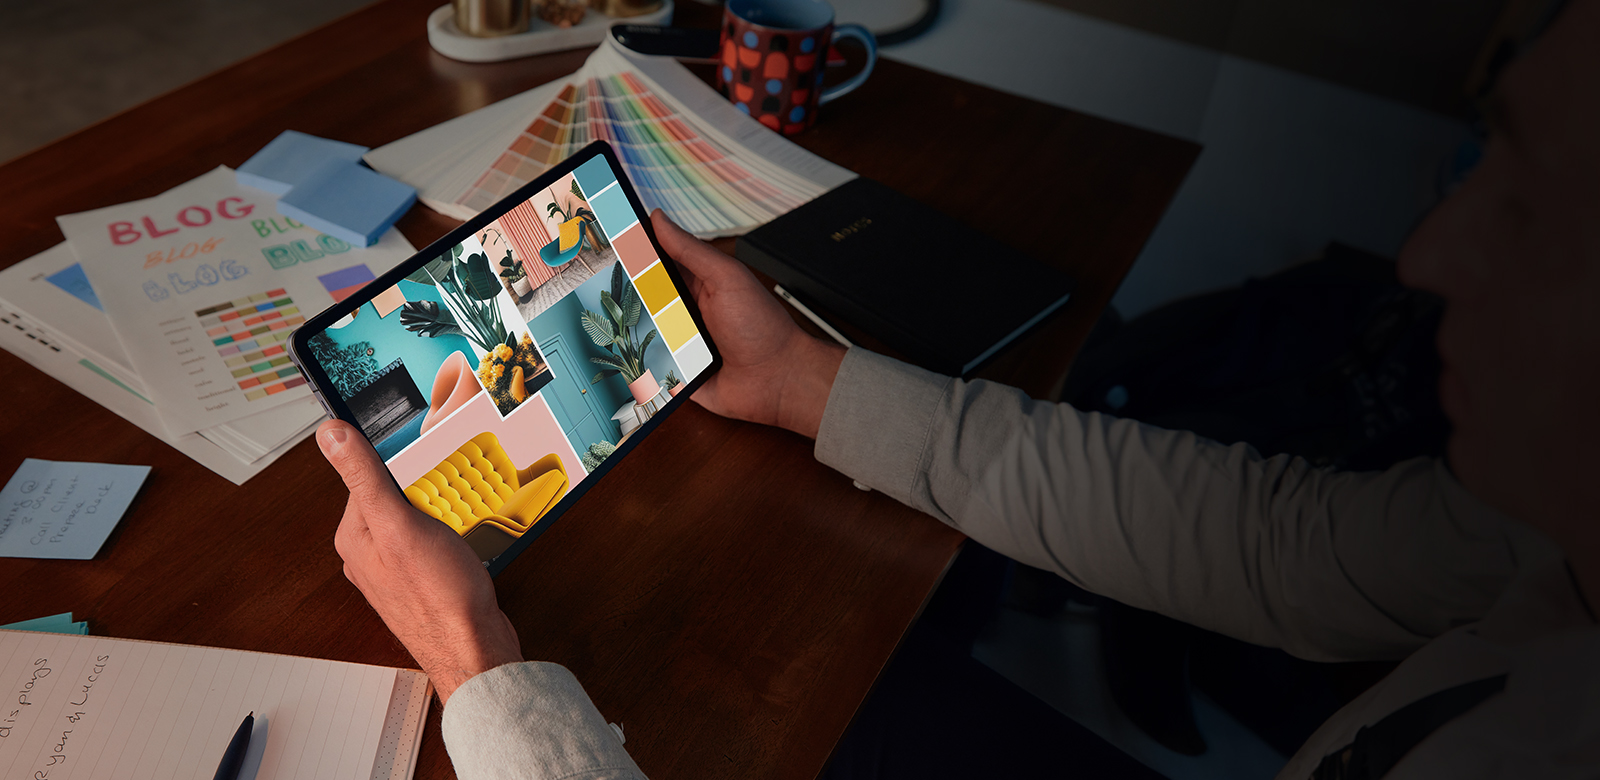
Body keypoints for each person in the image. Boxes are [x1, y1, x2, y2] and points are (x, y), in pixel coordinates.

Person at [314, 2, 1599, 776]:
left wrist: (475, 666)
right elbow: (1299, 547)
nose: (1428, 256)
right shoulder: (1546, 543)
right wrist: (808, 382)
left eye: (1541, 213)